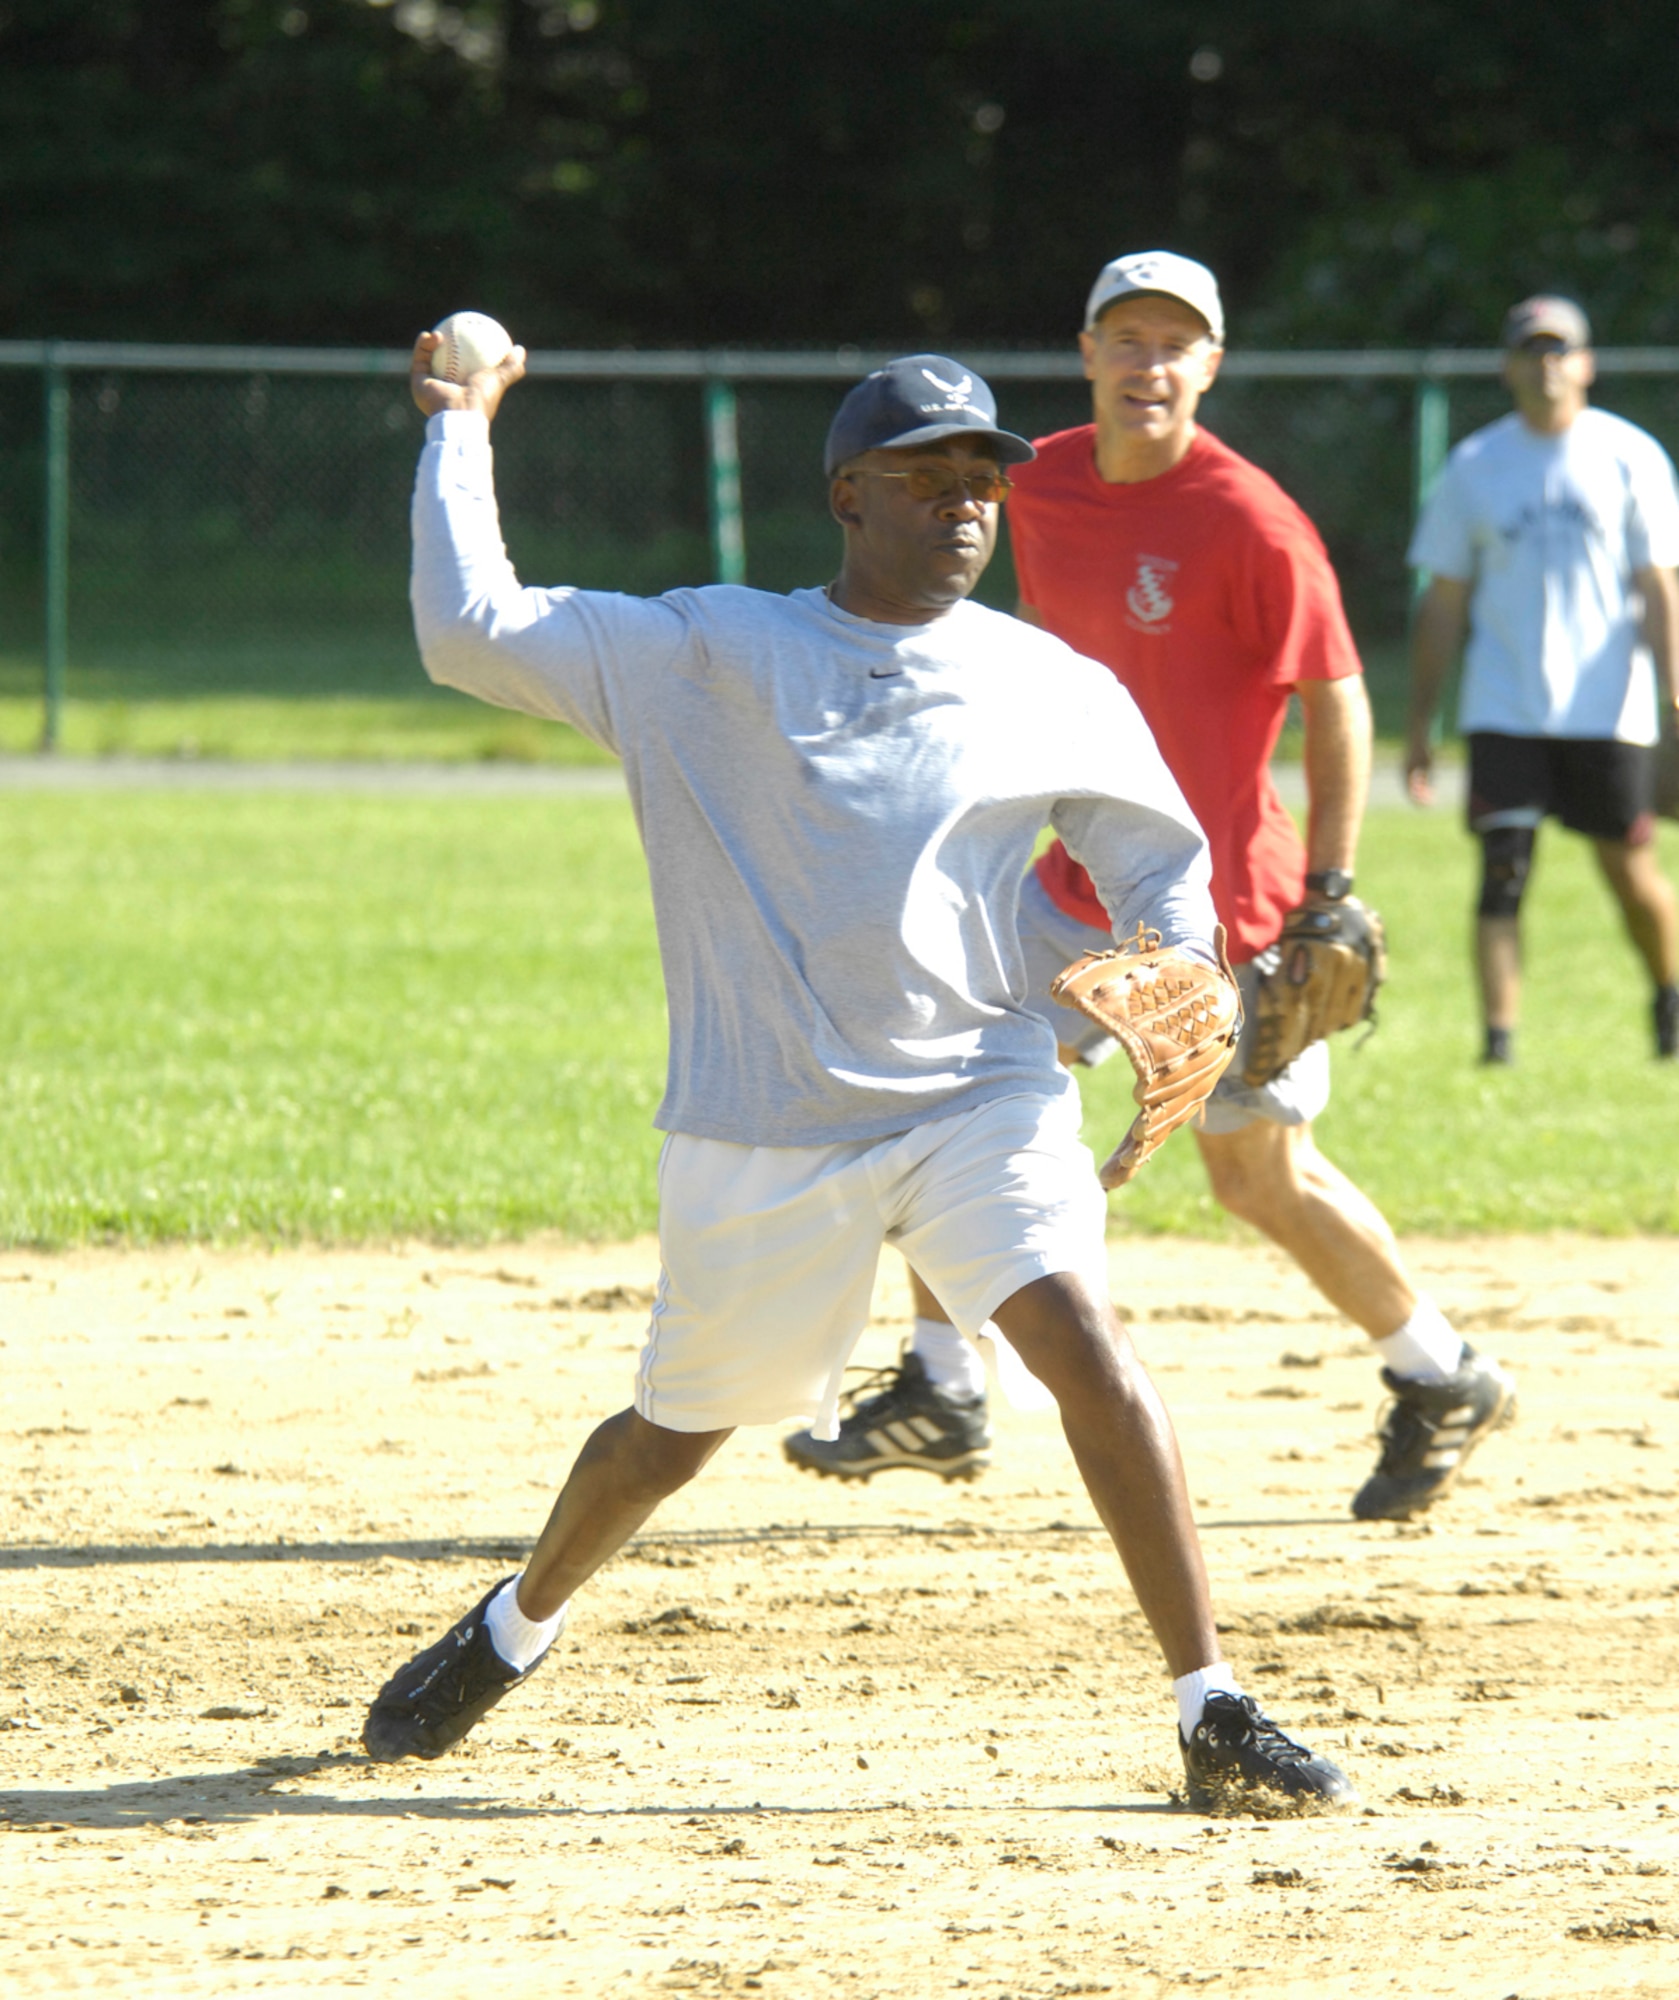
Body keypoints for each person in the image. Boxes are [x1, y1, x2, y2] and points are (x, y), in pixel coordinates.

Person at [359, 335, 1353, 1814]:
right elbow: (467, 627)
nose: (966, 502)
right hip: (767, 1125)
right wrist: (458, 424)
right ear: (845, 495)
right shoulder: (706, 652)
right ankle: (516, 1624)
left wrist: (1175, 958)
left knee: (1084, 1347)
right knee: (673, 1434)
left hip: (981, 1091)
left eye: (983, 481)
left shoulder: (1041, 680)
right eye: (929, 474)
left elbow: (1154, 854)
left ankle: (1208, 1702)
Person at [785, 252, 1515, 1524]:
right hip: (1065, 883)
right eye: (1127, 339)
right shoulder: (1039, 479)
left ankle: (1439, 1370)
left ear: (1209, 369)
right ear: (1086, 353)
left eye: (1176, 344)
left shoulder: (1249, 520)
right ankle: (945, 1385)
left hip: (1217, 907)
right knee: (948, 1096)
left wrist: (1330, 889)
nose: (1149, 365)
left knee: (1256, 1177)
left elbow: (1335, 693)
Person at [1407, 293, 1679, 1066]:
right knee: (1502, 875)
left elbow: (1659, 585)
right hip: (1505, 702)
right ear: (1507, 366)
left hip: (1606, 705)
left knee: (1629, 870)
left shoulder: (1629, 456)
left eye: (1560, 350)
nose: (1546, 364)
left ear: (1586, 364)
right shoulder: (1475, 466)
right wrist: (1423, 722)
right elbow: (1444, 599)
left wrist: (1672, 692)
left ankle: (1667, 997)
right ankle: (1498, 1043)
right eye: (1531, 350)